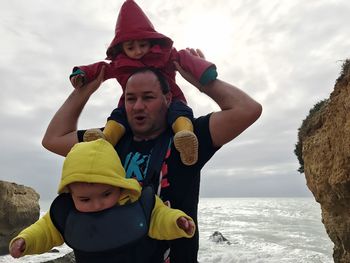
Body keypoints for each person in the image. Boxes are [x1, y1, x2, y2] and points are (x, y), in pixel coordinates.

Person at [42, 49, 262, 262]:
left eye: (148, 97)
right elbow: (53, 138)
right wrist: (84, 90)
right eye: (130, 98)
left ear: (167, 98)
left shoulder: (186, 138)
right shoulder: (106, 142)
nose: (138, 106)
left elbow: (248, 109)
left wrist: (202, 80)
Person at [70, 0, 218, 166]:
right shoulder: (120, 64)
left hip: (172, 98)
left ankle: (184, 136)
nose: (138, 51)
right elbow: (100, 68)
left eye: (142, 45)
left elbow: (184, 58)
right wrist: (82, 75)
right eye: (131, 47)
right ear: (122, 48)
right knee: (118, 116)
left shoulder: (164, 55)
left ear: (151, 42)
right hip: (127, 108)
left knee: (180, 111)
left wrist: (204, 73)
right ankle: (105, 140)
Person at [9, 139, 195, 263]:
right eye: (85, 199)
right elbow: (46, 231)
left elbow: (159, 217)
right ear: (70, 194)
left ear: (119, 185)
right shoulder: (65, 212)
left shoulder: (137, 202)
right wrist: (26, 241)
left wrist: (177, 221)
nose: (97, 205)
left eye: (106, 194)